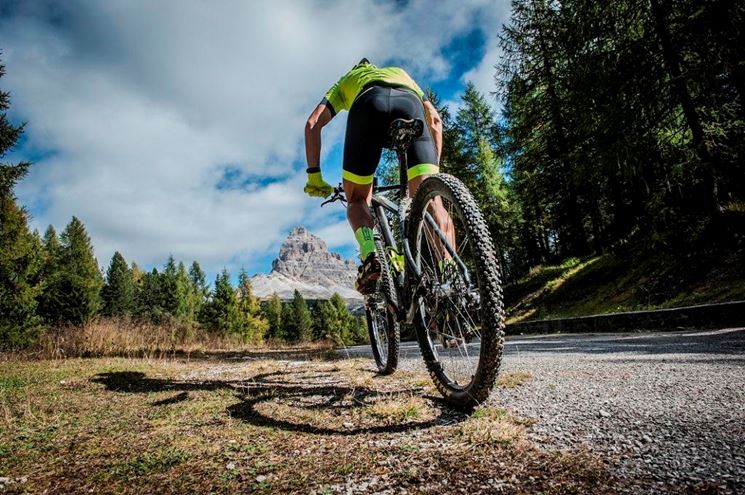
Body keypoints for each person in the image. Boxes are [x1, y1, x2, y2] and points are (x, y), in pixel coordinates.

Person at [303, 58, 444, 294]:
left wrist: (314, 176)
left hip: (368, 104)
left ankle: (370, 255)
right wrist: (435, 177)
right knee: (431, 201)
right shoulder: (400, 72)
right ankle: (451, 270)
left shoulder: (348, 79)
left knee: (357, 200)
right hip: (409, 103)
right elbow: (436, 121)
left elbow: (313, 123)